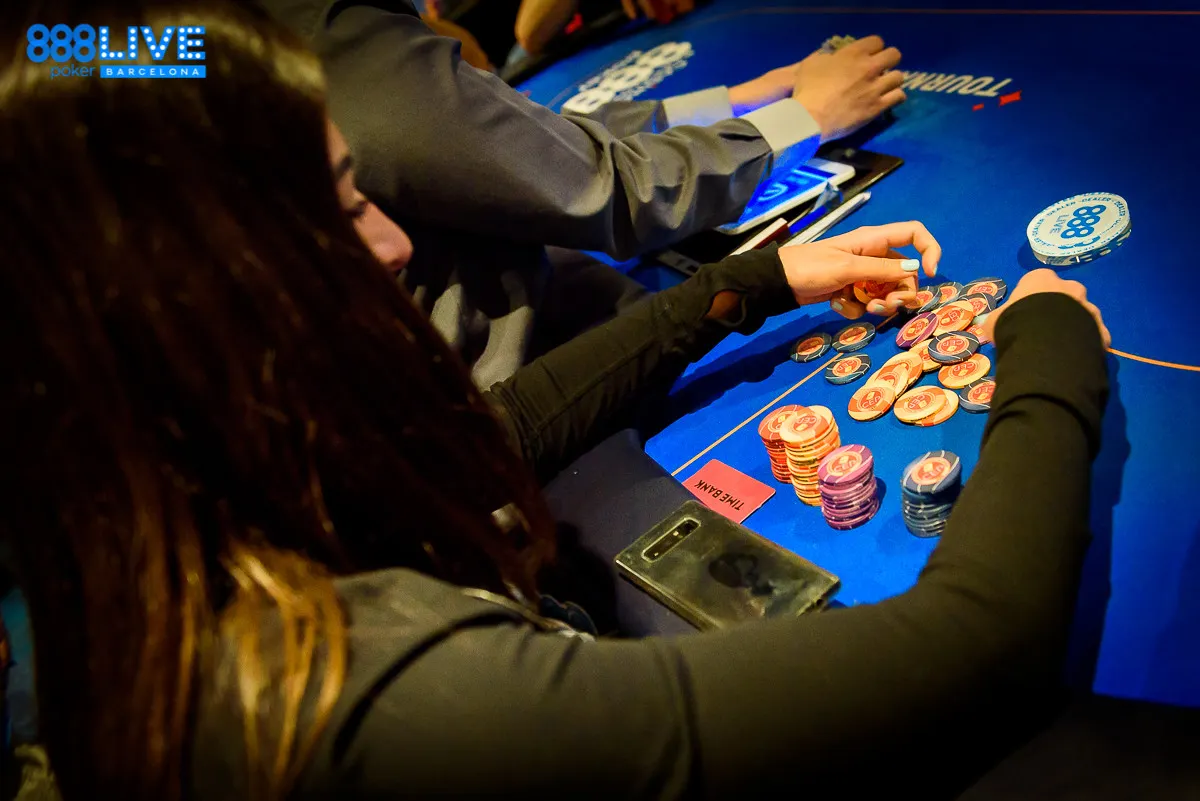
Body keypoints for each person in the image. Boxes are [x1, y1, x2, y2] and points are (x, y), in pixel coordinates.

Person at [0, 2, 1113, 800]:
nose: (397, 245)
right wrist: (1048, 345)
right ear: (191, 305)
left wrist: (745, 287)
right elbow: (976, 647)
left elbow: (492, 433)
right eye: (343, 211)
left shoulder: (179, 527)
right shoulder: (367, 694)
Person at [260, 0, 908, 386]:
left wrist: (736, 101)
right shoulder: (316, 31)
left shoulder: (208, 38)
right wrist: (804, 119)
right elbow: (601, 190)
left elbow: (514, 139)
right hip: (504, 407)